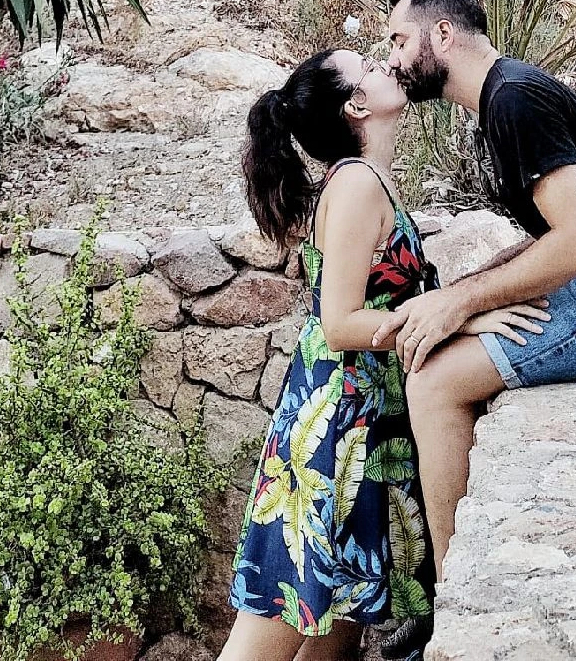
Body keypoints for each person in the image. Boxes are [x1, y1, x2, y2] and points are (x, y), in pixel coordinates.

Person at [372, 0, 576, 655]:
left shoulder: (513, 100)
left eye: (399, 38)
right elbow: (556, 235)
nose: (392, 57)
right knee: (432, 360)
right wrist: (465, 289)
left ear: (442, 32)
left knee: (436, 380)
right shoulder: (502, 99)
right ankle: (441, 586)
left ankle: (451, 600)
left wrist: (460, 300)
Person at [219, 46, 548, 661]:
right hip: (338, 429)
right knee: (263, 641)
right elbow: (339, 322)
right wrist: (462, 313)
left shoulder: (366, 181)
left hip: (363, 423)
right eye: (368, 65)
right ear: (358, 105)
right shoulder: (356, 183)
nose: (384, 63)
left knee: (334, 636)